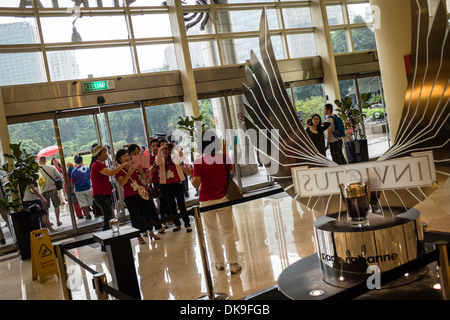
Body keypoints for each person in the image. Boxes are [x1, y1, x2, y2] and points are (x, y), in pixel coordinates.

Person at [182, 130, 242, 274]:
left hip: (206, 201)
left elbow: (196, 184)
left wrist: (190, 174)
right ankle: (233, 264)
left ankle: (219, 263)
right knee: (228, 232)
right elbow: (231, 170)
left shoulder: (198, 162)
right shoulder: (223, 158)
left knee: (212, 233)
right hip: (223, 198)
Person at [115, 149, 160, 244]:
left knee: (146, 212)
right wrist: (128, 174)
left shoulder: (133, 165)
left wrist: (140, 170)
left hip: (140, 192)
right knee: (135, 216)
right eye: (124, 156)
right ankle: (138, 235)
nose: (127, 157)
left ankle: (151, 232)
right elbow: (122, 183)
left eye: (128, 155)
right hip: (129, 196)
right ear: (119, 159)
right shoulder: (118, 170)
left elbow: (143, 178)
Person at [90, 145, 129, 233]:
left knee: (108, 217)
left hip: (104, 194)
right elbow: (111, 173)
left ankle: (109, 238)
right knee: (108, 217)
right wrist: (122, 165)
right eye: (103, 153)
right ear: (98, 155)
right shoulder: (96, 165)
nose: (106, 154)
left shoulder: (99, 164)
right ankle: (106, 239)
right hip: (101, 194)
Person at [156, 139, 192, 232]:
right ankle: (177, 224)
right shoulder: (161, 156)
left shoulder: (174, 154)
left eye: (167, 146)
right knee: (171, 205)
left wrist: (175, 147)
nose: (166, 147)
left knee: (181, 204)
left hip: (177, 182)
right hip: (166, 184)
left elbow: (183, 157)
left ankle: (187, 224)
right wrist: (160, 150)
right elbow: (158, 163)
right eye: (163, 146)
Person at [127, 143, 164, 235]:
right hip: (134, 191)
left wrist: (144, 172)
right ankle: (143, 230)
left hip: (145, 188)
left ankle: (158, 226)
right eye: (134, 153)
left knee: (151, 207)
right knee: (140, 211)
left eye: (138, 152)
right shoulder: (128, 164)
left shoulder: (143, 159)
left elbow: (147, 178)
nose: (137, 155)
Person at [149, 139, 169, 232]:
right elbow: (150, 171)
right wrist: (154, 165)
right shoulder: (150, 157)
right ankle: (164, 220)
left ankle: (170, 217)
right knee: (162, 200)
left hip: (166, 179)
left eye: (156, 145)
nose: (154, 147)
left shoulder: (164, 155)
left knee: (167, 199)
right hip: (157, 181)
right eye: (152, 146)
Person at [38, 156, 63, 226]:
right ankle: (58, 221)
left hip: (43, 190)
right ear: (46, 160)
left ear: (39, 162)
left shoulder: (38, 170)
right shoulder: (52, 167)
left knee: (46, 208)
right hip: (53, 189)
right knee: (56, 205)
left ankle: (48, 222)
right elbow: (58, 176)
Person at [70, 155, 93, 220]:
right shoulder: (87, 168)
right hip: (88, 187)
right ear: (82, 160)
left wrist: (72, 189)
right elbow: (90, 177)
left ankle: (88, 215)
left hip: (79, 189)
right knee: (92, 201)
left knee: (83, 203)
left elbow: (72, 181)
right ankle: (96, 213)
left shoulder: (74, 171)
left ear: (75, 162)